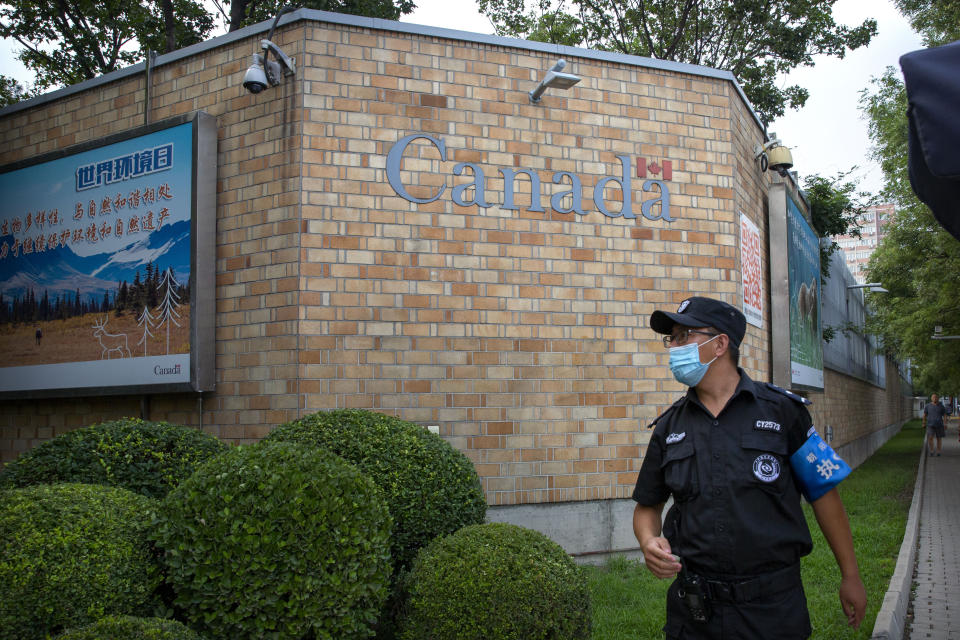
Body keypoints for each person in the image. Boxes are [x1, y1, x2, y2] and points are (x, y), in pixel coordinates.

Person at [632, 296, 866, 640]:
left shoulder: (782, 412)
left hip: (773, 610)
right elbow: (647, 506)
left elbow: (824, 493)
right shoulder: (669, 427)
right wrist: (648, 540)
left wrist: (851, 576)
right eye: (673, 339)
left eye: (684, 336)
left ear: (719, 344)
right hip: (695, 614)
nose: (674, 348)